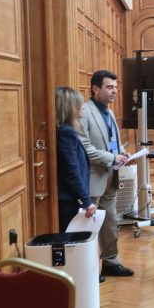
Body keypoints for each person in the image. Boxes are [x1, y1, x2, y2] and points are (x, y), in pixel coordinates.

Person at [78, 70, 134, 279]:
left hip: (110, 175)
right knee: (89, 226)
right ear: (95, 89)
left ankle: (111, 262)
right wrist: (112, 158)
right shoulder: (85, 112)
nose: (114, 91)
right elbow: (85, 148)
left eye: (115, 88)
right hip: (93, 177)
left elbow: (112, 142)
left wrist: (122, 154)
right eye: (110, 87)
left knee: (110, 222)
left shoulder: (109, 112)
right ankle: (88, 268)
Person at [56, 86, 96, 234]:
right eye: (79, 104)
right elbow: (71, 170)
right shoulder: (66, 132)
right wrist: (86, 200)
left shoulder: (64, 130)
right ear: (69, 107)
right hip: (68, 200)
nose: (82, 107)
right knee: (69, 240)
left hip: (68, 198)